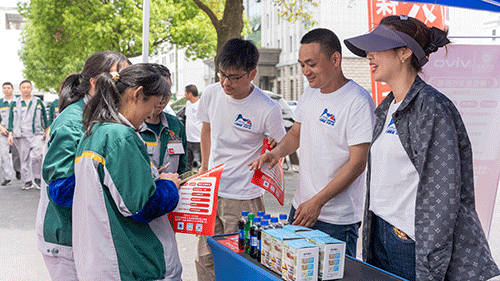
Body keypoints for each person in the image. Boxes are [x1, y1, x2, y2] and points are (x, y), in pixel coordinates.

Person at [344, 15, 500, 280]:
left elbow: (442, 198)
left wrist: (431, 268)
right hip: (380, 236)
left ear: (404, 52)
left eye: (377, 48)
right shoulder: (387, 108)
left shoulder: (432, 108)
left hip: (410, 245)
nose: (369, 56)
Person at [250, 28, 375, 258]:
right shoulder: (310, 92)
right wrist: (276, 153)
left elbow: (358, 164)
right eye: (302, 65)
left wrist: (317, 202)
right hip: (301, 208)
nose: (306, 71)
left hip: (336, 219)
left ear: (335, 59)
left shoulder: (358, 101)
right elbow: (296, 133)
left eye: (311, 64)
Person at [73, 64, 182, 280]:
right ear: (137, 94)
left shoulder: (95, 131)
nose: (152, 113)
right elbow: (141, 208)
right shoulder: (121, 137)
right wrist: (169, 185)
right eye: (152, 105)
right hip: (128, 265)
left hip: (102, 261)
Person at [195, 38, 286, 280]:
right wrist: (205, 167)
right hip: (213, 189)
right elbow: (206, 129)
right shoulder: (211, 93)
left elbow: (281, 145)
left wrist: (272, 155)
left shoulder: (268, 108)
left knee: (243, 259)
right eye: (222, 74)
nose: (226, 82)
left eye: (234, 77)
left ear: (252, 73)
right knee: (206, 258)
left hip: (246, 195)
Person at [36, 51, 130, 280]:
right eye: (120, 80)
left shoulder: (100, 115)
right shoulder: (72, 122)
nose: (126, 87)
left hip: (86, 236)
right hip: (66, 239)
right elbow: (61, 189)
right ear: (94, 82)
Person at [139, 64, 187, 174]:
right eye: (158, 92)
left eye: (167, 91)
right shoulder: (131, 127)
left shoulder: (176, 125)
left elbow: (183, 168)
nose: (163, 99)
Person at [7, 80, 48, 190]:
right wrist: (10, 134)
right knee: (24, 159)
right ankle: (27, 181)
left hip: (36, 134)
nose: (26, 89)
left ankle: (38, 178)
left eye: (28, 87)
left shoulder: (38, 102)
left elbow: (44, 116)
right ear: (20, 89)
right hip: (21, 135)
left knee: (37, 156)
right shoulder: (15, 103)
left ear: (31, 88)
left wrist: (46, 130)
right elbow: (11, 119)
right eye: (23, 87)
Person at [0, 82, 15, 186]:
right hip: (3, 132)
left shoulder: (18, 101)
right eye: (4, 88)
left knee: (17, 155)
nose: (6, 90)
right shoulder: (0, 102)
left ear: (12, 89)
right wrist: (1, 128)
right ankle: (7, 177)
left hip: (17, 132)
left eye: (8, 88)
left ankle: (18, 170)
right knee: (4, 155)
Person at [184, 84, 202, 171]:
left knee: (199, 165)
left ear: (190, 94)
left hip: (198, 140)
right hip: (188, 139)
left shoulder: (201, 104)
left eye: (185, 93)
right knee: (187, 164)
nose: (184, 95)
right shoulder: (188, 104)